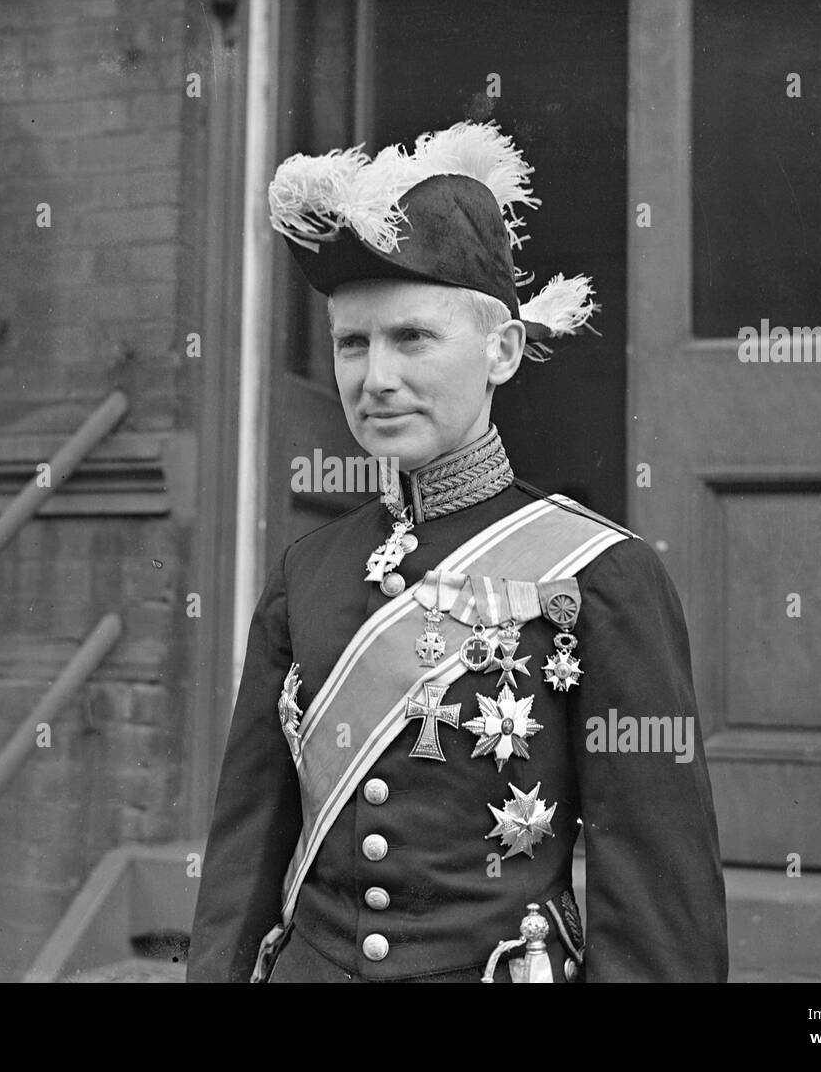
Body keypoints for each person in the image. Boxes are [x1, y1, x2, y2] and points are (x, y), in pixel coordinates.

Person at [187, 121, 728, 983]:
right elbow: (245, 855)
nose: (376, 378)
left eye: (412, 338)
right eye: (352, 344)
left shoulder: (602, 577)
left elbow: (659, 896)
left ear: (502, 352)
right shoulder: (307, 575)